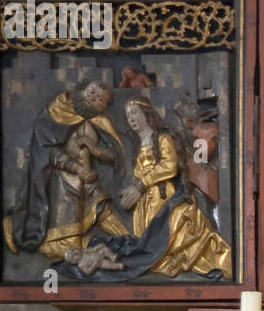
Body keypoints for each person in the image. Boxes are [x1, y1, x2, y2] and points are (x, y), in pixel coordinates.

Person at [82, 99, 232, 280]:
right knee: (146, 244)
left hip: (161, 197)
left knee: (163, 237)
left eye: (135, 113)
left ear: (146, 114)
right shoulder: (139, 143)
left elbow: (169, 166)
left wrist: (140, 185)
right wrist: (132, 189)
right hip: (144, 202)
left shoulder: (162, 138)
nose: (131, 118)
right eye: (128, 116)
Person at [4, 80, 129, 261]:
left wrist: (95, 150)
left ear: (103, 107)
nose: (93, 98)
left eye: (99, 99)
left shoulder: (98, 121)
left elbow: (116, 155)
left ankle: (130, 242)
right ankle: (16, 226)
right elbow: (46, 151)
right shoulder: (55, 112)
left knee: (102, 206)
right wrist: (77, 169)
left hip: (87, 179)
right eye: (92, 92)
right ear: (81, 89)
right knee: (64, 245)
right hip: (59, 180)